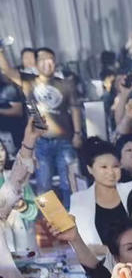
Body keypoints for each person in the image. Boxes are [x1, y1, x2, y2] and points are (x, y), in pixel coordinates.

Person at [21, 47, 83, 205]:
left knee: (69, 182)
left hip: (64, 140)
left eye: (51, 60)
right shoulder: (30, 84)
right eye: (42, 60)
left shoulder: (66, 84)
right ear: (36, 63)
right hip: (41, 141)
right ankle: (48, 217)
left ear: (55, 62)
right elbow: (31, 110)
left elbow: (75, 108)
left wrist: (77, 133)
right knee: (43, 184)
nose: (47, 63)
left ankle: (73, 213)